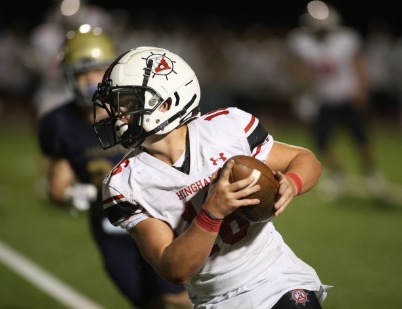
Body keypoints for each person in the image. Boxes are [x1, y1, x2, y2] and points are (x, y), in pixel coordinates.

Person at [92, 46, 330, 308]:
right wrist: (212, 211)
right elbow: (175, 270)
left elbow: (306, 160)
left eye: (127, 102)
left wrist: (292, 184)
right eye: (116, 104)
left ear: (166, 102)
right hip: (214, 299)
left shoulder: (225, 129)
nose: (117, 114)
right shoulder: (125, 183)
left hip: (277, 277)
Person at [37, 27, 190, 309]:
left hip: (159, 215)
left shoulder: (139, 106)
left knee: (179, 298)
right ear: (68, 76)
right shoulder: (59, 124)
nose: (91, 80)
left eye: (97, 71)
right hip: (112, 227)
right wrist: (71, 195)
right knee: (148, 303)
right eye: (82, 73)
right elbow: (56, 187)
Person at [286, 1, 385, 200]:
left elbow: (358, 64)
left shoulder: (346, 39)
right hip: (322, 99)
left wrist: (362, 89)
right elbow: (296, 67)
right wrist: (302, 87)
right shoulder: (301, 41)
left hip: (347, 96)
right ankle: (338, 175)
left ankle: (371, 172)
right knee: (321, 142)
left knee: (361, 139)